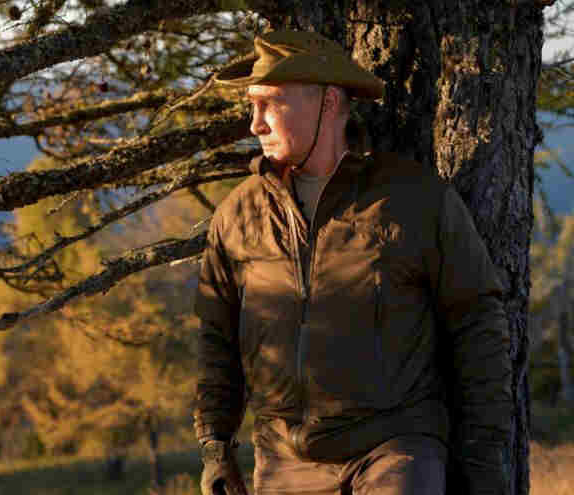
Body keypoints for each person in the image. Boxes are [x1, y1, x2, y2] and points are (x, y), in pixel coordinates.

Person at [194, 30, 512, 495]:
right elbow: (216, 335)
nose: (255, 125)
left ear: (327, 103)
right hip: (284, 462)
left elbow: (477, 321)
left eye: (270, 104)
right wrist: (215, 447)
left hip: (396, 449)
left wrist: (482, 457)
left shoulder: (414, 200)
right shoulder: (239, 214)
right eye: (252, 106)